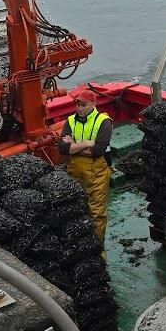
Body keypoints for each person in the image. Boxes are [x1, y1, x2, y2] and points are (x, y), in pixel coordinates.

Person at [59, 90, 113, 241]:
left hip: (97, 174)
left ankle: (97, 249)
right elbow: (62, 148)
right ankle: (82, 242)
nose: (79, 108)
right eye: (77, 104)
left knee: (97, 213)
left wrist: (74, 147)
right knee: (78, 208)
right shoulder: (70, 121)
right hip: (75, 173)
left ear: (94, 104)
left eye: (83, 105)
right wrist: (87, 144)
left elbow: (98, 151)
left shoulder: (103, 122)